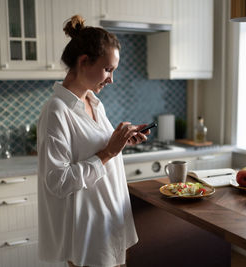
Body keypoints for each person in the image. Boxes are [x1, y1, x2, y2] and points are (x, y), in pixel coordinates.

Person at [37, 15, 149, 267]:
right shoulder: (56, 111)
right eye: (108, 69)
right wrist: (109, 151)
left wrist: (121, 141)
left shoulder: (94, 103)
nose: (111, 79)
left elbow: (96, 148)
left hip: (111, 223)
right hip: (88, 235)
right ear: (84, 61)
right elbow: (58, 181)